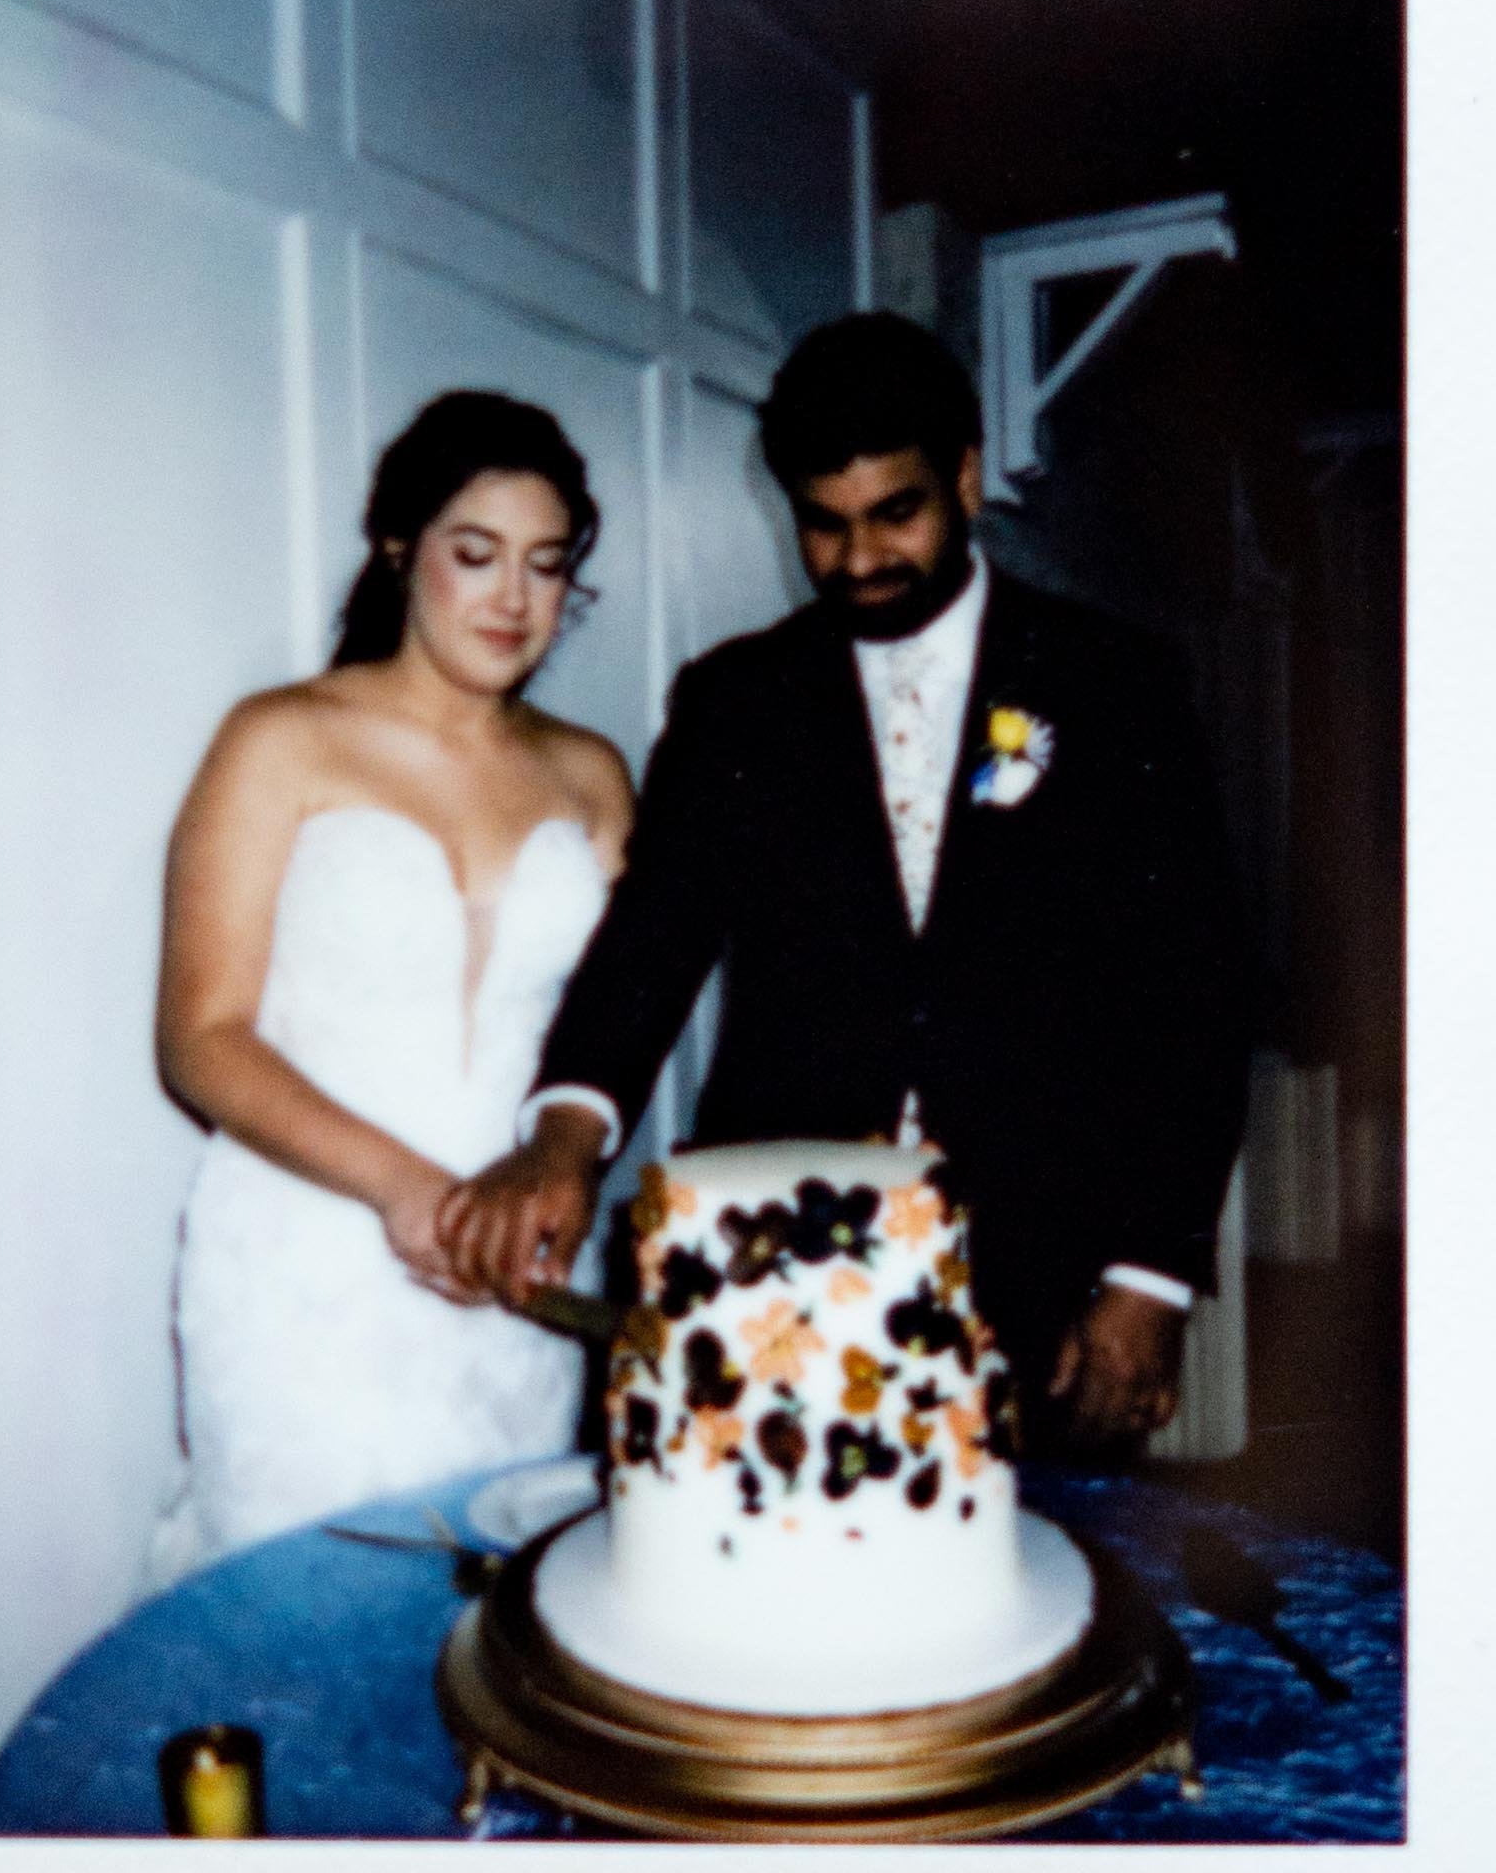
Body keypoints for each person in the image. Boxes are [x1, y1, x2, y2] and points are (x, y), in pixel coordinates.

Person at [439, 314, 1252, 1447]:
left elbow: (1197, 995)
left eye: (894, 514)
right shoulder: (736, 699)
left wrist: (1151, 1273)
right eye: (823, 527)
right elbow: (653, 937)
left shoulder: (1114, 684)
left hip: (1040, 1275)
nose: (859, 559)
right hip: (775, 1269)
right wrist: (563, 1135)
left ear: (965, 476)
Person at [147, 391, 633, 1582]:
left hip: (509, 1270)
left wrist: (557, 1184)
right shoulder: (280, 738)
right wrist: (406, 1189)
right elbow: (201, 1037)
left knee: (488, 1618)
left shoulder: (592, 775)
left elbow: (612, 1036)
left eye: (546, 565)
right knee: (299, 1614)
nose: (514, 601)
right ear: (400, 547)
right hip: (307, 1257)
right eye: (476, 556)